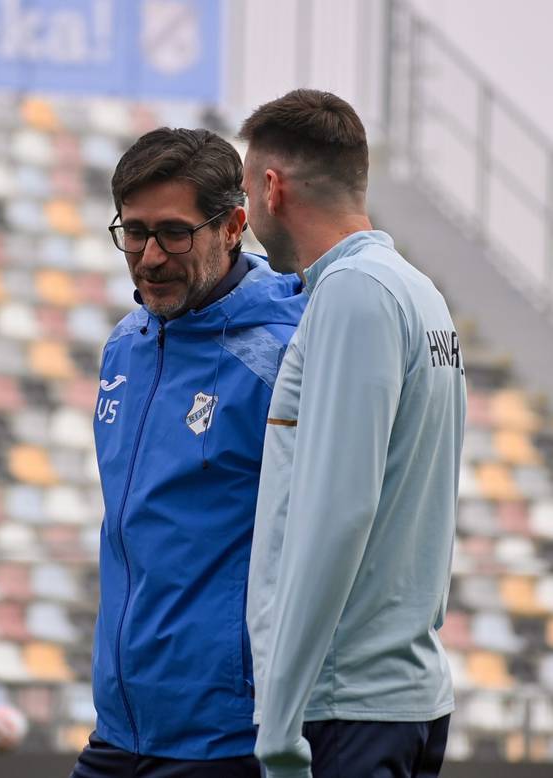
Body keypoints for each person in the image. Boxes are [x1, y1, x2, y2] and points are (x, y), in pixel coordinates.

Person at [240, 90, 467, 778]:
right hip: (398, 698)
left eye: (247, 191)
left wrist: (280, 719)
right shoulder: (417, 292)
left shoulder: (352, 294)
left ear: (272, 189)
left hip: (345, 706)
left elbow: (338, 513)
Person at [70, 127, 306, 778]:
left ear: (233, 225)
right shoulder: (125, 342)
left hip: (226, 740)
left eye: (173, 232)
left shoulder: (288, 355)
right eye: (134, 231)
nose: (148, 257)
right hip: (121, 727)